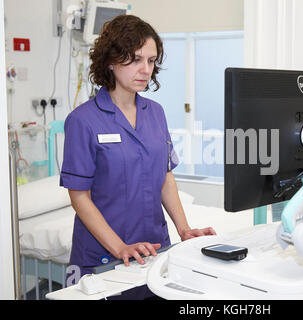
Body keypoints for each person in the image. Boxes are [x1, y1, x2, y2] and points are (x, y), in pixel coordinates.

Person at [60, 15, 216, 298]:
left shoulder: (155, 113)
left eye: (151, 60)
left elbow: (165, 175)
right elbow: (78, 196)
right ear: (110, 60)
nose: (145, 69)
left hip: (154, 249)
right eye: (135, 59)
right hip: (102, 258)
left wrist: (184, 229)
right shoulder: (82, 121)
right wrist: (119, 247)